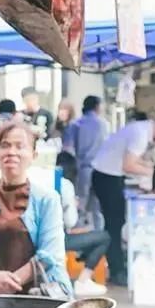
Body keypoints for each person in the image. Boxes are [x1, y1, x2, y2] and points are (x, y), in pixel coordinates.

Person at [0, 121, 71, 297]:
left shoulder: (47, 199)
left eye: (20, 146)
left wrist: (7, 285)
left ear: (33, 154)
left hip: (38, 296)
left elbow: (49, 253)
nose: (11, 152)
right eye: (4, 145)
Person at [91, 117, 155, 286]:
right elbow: (129, 165)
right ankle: (116, 270)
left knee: (117, 223)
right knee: (114, 225)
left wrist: (152, 168)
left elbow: (132, 161)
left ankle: (118, 266)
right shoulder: (141, 134)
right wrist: (154, 173)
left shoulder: (142, 130)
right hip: (106, 177)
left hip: (110, 175)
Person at [56, 151, 109, 296]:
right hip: (58, 239)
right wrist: (72, 204)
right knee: (103, 237)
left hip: (33, 239)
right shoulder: (65, 185)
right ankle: (83, 281)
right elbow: (71, 221)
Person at [62, 95, 109, 229]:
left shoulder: (76, 124)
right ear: (97, 107)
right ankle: (99, 232)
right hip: (101, 169)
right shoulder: (104, 124)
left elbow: (68, 147)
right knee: (97, 203)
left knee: (80, 200)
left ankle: (78, 230)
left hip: (83, 168)